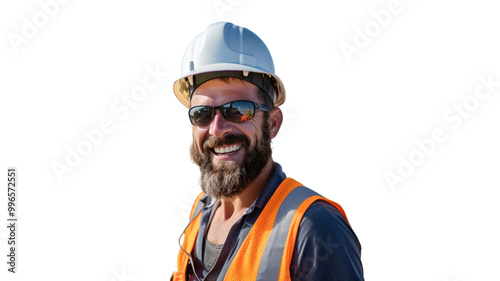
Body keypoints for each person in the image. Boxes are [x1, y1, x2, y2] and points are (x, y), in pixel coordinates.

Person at [171, 22, 364, 281]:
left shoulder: (313, 227)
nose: (216, 129)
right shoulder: (199, 211)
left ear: (272, 123)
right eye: (202, 114)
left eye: (238, 110)